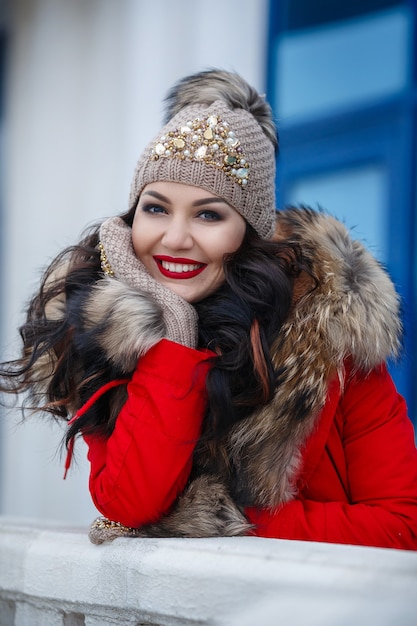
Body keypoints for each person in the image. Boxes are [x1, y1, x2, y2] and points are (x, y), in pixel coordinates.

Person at [1, 69, 417, 550]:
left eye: (209, 214)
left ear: (248, 235)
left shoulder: (331, 344)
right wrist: (172, 333)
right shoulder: (104, 338)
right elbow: (130, 503)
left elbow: (403, 527)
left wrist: (226, 521)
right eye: (155, 209)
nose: (175, 239)